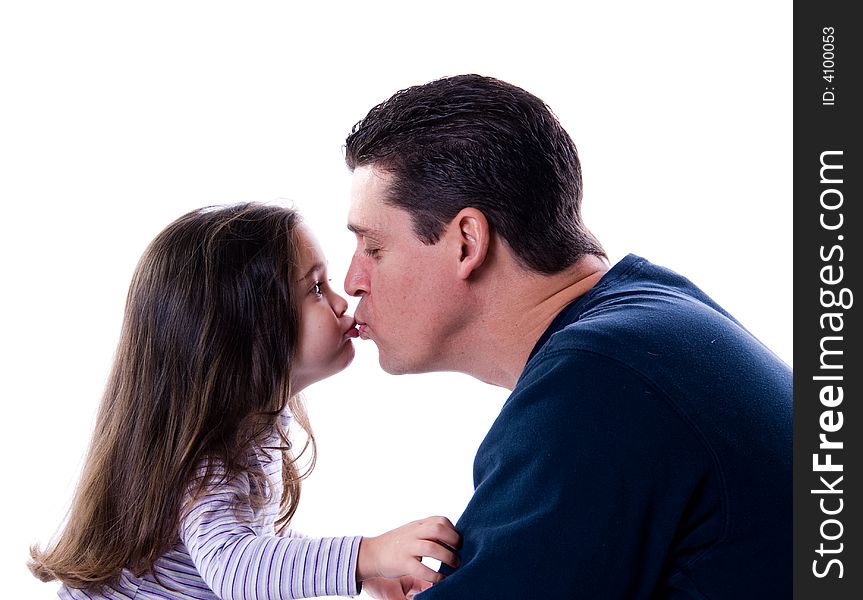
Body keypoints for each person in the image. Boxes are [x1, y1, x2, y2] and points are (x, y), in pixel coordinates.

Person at [342, 74, 792, 599]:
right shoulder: (654, 316)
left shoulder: (597, 383)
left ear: (466, 241)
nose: (352, 281)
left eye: (373, 248)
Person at [29, 203, 460, 599]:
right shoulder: (211, 457)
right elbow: (235, 567)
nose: (339, 299)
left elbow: (253, 545)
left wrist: (363, 572)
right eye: (315, 287)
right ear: (247, 335)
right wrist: (367, 555)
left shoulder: (252, 429)